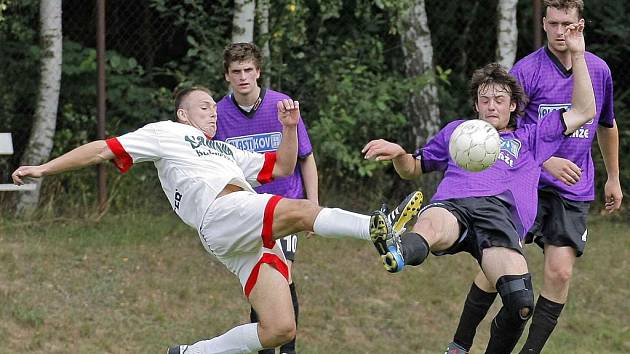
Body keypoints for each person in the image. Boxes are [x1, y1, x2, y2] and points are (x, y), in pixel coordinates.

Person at [11, 86, 422, 354]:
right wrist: (45, 169)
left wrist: (290, 128)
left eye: (213, 107)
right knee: (299, 212)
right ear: (182, 114)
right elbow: (103, 149)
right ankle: (375, 226)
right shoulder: (166, 132)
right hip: (221, 214)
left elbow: (282, 165)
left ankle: (190, 353)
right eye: (204, 107)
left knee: (279, 329)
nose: (213, 113)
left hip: (241, 232)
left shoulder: (224, 150)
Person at [362, 19, 594, 354]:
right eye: (484, 99)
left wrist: (579, 54)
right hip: (455, 203)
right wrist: (399, 153)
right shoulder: (459, 132)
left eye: (499, 99)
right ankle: (397, 250)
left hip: (501, 218)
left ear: (513, 105)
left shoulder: (530, 137)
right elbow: (413, 168)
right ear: (476, 105)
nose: (491, 106)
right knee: (434, 221)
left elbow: (584, 110)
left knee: (521, 304)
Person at [445, 1, 623, 353]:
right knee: (498, 266)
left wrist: (613, 177)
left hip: (573, 189)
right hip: (526, 182)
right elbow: (508, 133)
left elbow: (606, 124)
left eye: (568, 25)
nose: (560, 32)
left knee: (560, 274)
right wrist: (546, 161)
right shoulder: (526, 71)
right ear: (543, 24)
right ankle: (460, 344)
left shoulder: (598, 71)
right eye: (554, 24)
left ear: (580, 26)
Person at [213, 42, 318, 354]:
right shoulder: (218, 116)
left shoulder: (282, 106)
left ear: (258, 72)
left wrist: (312, 204)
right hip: (247, 211)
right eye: (236, 72)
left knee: (283, 273)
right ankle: (265, 345)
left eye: (248, 70)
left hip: (285, 206)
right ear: (227, 76)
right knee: (264, 283)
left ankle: (287, 349)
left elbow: (306, 158)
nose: (243, 77)